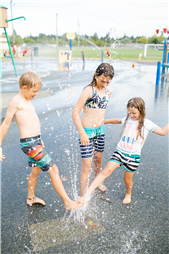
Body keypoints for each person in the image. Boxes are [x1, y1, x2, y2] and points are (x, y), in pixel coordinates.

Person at [0, 72, 82, 210]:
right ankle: (67, 202)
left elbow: (32, 121)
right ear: (24, 87)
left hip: (35, 142)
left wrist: (39, 139)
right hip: (29, 144)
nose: (36, 94)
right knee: (53, 169)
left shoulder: (27, 100)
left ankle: (30, 198)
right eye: (34, 91)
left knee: (35, 170)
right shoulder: (15, 101)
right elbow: (5, 124)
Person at [78, 97, 169, 205]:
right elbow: (117, 120)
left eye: (134, 113)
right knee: (105, 172)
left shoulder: (146, 123)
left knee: (127, 180)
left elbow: (163, 132)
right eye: (129, 112)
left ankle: (128, 193)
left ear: (142, 110)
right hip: (120, 152)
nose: (131, 115)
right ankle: (87, 194)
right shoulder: (128, 119)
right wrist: (105, 121)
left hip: (133, 157)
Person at [72, 63, 114, 196]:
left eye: (108, 82)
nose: (104, 84)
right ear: (96, 75)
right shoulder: (88, 91)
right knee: (87, 166)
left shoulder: (108, 91)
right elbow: (75, 112)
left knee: (98, 159)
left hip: (100, 131)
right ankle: (84, 196)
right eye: (102, 80)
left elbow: (99, 112)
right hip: (87, 133)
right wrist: (82, 133)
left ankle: (97, 182)